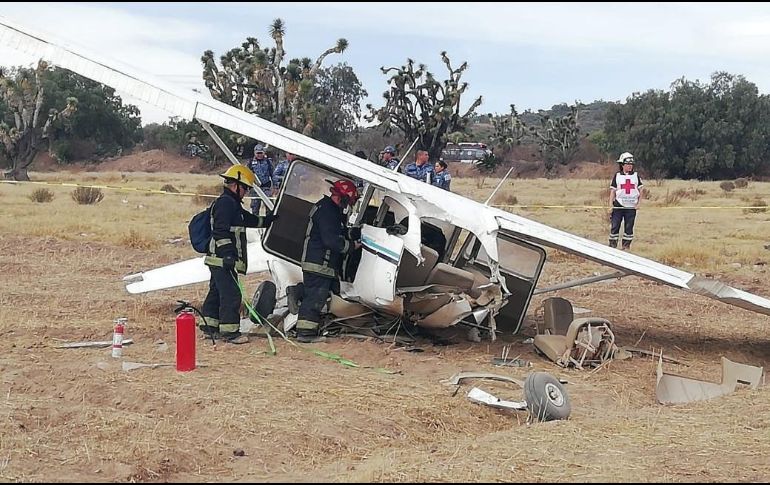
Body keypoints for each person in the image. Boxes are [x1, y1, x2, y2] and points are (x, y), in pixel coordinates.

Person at [201, 164, 277, 343]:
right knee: (231, 294)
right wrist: (228, 255)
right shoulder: (225, 203)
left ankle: (210, 327)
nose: (246, 192)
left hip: (219, 259)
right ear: (235, 185)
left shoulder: (232, 203)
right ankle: (230, 332)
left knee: (216, 292)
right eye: (245, 188)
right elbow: (220, 231)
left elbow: (247, 219)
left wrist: (268, 220)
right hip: (222, 259)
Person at [292, 180, 362, 343]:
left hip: (322, 264)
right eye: (348, 202)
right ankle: (305, 333)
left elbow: (339, 231)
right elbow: (332, 240)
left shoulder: (329, 209)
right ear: (343, 197)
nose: (347, 206)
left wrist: (355, 233)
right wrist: (352, 246)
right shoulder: (328, 211)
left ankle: (299, 293)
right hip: (320, 263)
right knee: (315, 297)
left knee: (324, 294)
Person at [609, 152, 643, 250]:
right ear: (622, 165)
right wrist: (610, 205)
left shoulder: (636, 176)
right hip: (618, 205)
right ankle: (612, 247)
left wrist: (639, 203)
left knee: (629, 228)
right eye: (628, 164)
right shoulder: (617, 176)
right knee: (615, 226)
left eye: (631, 164)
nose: (630, 166)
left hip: (631, 206)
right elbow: (613, 191)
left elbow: (641, 190)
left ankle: (626, 247)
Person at [247, 144, 273, 214]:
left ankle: (269, 220)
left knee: (270, 207)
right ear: (254, 153)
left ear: (263, 153)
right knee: (255, 208)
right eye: (258, 153)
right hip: (255, 189)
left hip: (266, 188)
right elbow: (247, 175)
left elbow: (272, 174)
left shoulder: (268, 161)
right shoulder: (250, 162)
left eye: (261, 153)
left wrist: (275, 187)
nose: (259, 155)